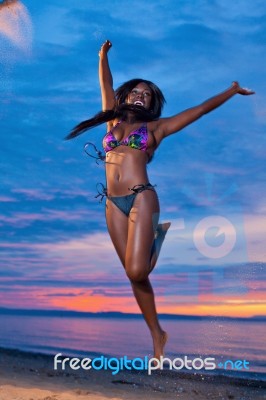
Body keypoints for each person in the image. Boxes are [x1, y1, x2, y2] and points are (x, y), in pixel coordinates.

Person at [66, 40, 254, 360]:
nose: (140, 96)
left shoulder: (157, 128)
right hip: (112, 203)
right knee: (132, 274)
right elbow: (106, 83)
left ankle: (158, 233)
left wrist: (231, 90)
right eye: (136, 91)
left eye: (147, 94)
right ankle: (158, 334)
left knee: (139, 271)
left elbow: (200, 110)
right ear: (126, 97)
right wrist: (102, 56)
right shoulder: (112, 120)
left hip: (142, 198)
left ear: (151, 104)